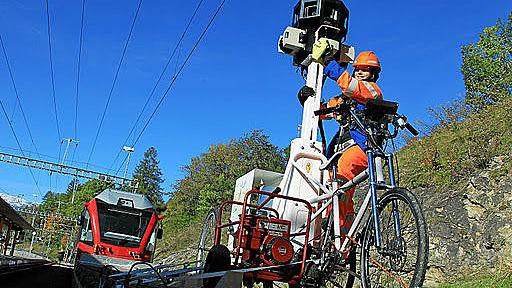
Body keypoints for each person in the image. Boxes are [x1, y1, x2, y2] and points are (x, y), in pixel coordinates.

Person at [311, 39, 384, 237]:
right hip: (341, 150)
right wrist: (308, 99)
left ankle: (337, 228)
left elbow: (351, 86)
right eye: (357, 69)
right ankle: (341, 238)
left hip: (362, 147)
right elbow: (324, 111)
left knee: (343, 174)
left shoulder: (371, 91)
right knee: (340, 193)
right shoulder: (345, 100)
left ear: (373, 74)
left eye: (365, 70)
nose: (360, 72)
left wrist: (329, 62)